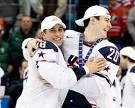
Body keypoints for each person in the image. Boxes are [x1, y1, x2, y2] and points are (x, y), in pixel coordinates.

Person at [16, 15, 106, 108]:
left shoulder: (48, 48)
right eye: (52, 30)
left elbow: (28, 51)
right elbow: (60, 80)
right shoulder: (47, 47)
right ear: (43, 34)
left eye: (60, 30)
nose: (58, 34)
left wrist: (28, 42)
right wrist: (87, 69)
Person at [61, 5, 120, 108]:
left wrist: (58, 79)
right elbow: (43, 45)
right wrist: (28, 43)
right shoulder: (68, 37)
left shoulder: (109, 49)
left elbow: (96, 88)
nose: (110, 25)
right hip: (63, 102)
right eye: (106, 20)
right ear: (93, 20)